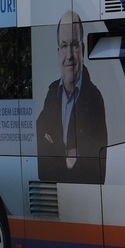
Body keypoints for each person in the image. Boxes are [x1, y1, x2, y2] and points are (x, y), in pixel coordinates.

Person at [36, 10, 108, 184]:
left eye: (74, 45)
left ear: (82, 50)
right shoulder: (52, 94)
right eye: (64, 45)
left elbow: (95, 167)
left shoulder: (95, 99)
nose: (69, 56)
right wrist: (66, 154)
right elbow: (41, 151)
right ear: (58, 51)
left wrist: (55, 150)